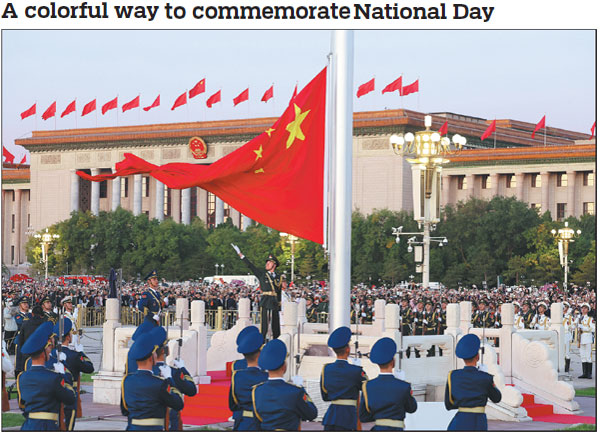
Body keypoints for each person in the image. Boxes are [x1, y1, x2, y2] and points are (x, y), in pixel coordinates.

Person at [16, 321, 76, 430]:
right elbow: (70, 398)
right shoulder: (53, 378)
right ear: (43, 352)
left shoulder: (22, 377)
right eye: (48, 348)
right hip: (47, 427)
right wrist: (63, 375)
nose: (50, 351)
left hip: (28, 426)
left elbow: (22, 404)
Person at [120, 330, 185, 431]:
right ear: (151, 358)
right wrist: (170, 379)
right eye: (154, 353)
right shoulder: (159, 383)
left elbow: (125, 410)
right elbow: (178, 404)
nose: (156, 355)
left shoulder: (127, 381)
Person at [251, 339, 317, 430]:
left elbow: (257, 419)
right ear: (284, 366)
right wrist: (302, 389)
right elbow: (311, 414)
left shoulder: (257, 391)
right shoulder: (295, 391)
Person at [444, 333, 502, 430]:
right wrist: (486, 378)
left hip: (459, 421)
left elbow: (449, 403)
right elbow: (497, 398)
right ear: (478, 356)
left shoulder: (453, 375)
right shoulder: (485, 377)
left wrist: (464, 404)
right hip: (477, 422)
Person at [359, 337, 417, 431]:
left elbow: (363, 417)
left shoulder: (367, 386)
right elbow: (412, 408)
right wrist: (402, 383)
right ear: (393, 361)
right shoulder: (403, 386)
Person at [320, 326, 368, 431]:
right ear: (348, 349)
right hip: (348, 417)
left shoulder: (326, 369)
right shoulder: (356, 371)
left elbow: (325, 396)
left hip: (331, 416)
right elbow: (367, 390)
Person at [150, 327, 197, 431]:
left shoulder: (144, 373)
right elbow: (192, 390)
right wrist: (183, 369)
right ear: (164, 351)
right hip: (170, 422)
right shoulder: (174, 373)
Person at [52, 316, 94, 431]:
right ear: (67, 337)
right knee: (68, 427)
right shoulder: (74, 356)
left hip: (53, 396)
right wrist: (81, 353)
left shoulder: (51, 354)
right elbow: (90, 368)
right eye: (70, 333)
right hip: (69, 395)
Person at [233, 245, 283, 339]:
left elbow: (279, 291)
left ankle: (276, 340)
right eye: (267, 262)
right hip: (266, 300)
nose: (267, 264)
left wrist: (280, 305)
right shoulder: (262, 274)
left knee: (275, 323)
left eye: (269, 262)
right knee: (264, 323)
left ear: (274, 264)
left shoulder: (278, 277)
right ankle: (263, 340)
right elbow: (250, 266)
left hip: (274, 301)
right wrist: (240, 254)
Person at [229, 328, 268, 431]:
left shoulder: (237, 370)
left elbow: (233, 402)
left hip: (243, 419)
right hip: (262, 419)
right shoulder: (266, 371)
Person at [15, 305, 46, 377]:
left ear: (32, 314)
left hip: (27, 353)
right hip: (40, 354)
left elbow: (21, 341)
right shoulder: (44, 324)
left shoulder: (25, 324)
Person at [578, 303, 594, 379]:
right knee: (583, 356)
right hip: (581, 338)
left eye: (585, 308)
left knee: (588, 356)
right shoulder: (579, 318)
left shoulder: (590, 319)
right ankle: (584, 373)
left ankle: (589, 373)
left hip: (587, 337)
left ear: (588, 310)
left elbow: (593, 328)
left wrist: (584, 328)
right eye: (582, 308)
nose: (583, 309)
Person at [562, 302, 574, 373]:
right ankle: (561, 367)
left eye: (565, 307)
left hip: (567, 335)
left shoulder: (569, 317)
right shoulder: (559, 316)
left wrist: (569, 326)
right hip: (561, 335)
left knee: (567, 353)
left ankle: (566, 369)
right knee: (561, 352)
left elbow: (573, 326)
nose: (563, 308)